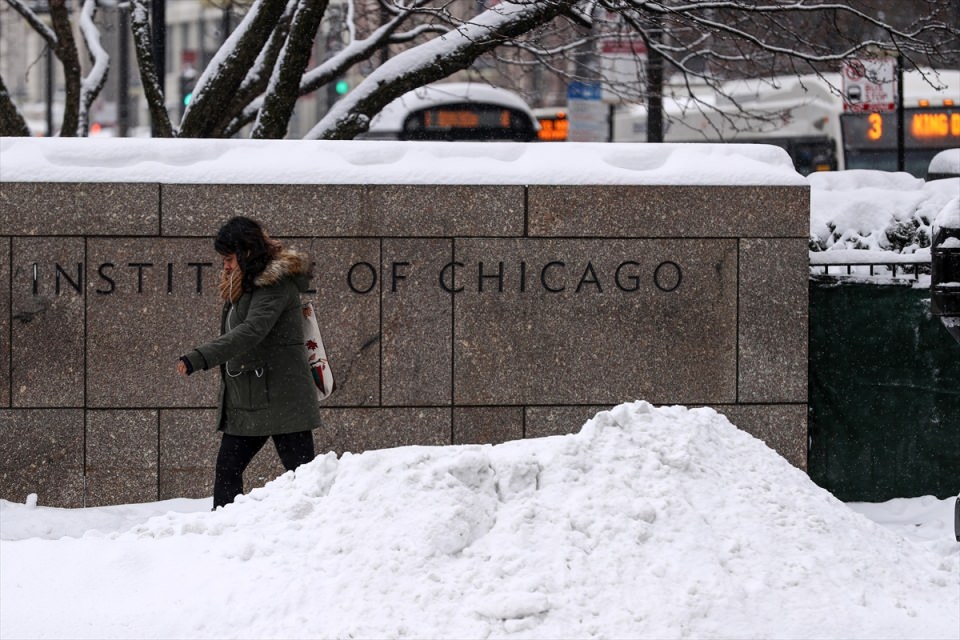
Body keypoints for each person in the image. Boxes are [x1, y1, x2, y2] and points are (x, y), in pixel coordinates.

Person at [177, 216, 320, 509]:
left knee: (305, 479)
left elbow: (251, 331)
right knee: (227, 471)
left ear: (247, 252)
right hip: (250, 398)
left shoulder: (275, 285)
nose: (226, 266)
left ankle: (321, 536)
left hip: (283, 398)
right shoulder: (246, 285)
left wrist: (199, 357)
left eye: (229, 258)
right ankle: (224, 533)